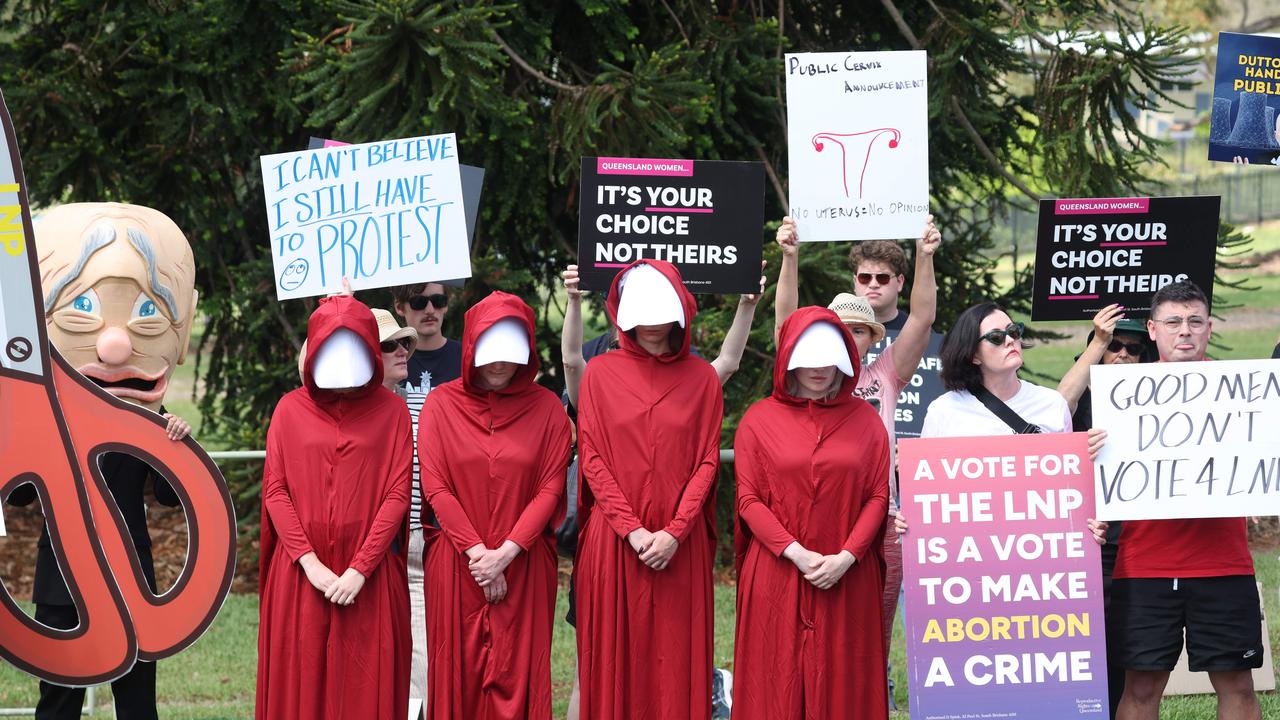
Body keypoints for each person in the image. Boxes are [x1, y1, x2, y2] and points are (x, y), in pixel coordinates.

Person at [8, 202, 199, 719]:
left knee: (137, 703)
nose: (113, 348)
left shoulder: (148, 421)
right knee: (59, 704)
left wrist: (172, 439)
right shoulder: (47, 423)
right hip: (61, 581)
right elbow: (20, 496)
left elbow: (167, 497)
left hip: (131, 575)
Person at [558, 262, 764, 720]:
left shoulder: (699, 379)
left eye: (661, 309)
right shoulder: (599, 375)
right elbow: (592, 458)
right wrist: (632, 530)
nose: (652, 323)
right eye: (642, 310)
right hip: (614, 545)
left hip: (680, 548)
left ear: (680, 311)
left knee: (675, 661)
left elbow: (707, 462)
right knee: (611, 661)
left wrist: (674, 532)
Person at [773, 216, 940, 706]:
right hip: (806, 516)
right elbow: (786, 322)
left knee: (873, 628)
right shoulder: (806, 375)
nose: (848, 338)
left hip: (877, 519)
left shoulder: (886, 374)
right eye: (837, 329)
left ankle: (871, 701)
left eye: (860, 330)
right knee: (802, 627)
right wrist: (789, 257)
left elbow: (923, 319)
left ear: (874, 336)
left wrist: (925, 256)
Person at [1112, 281, 1263, 720]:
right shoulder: (1124, 396)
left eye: (1195, 321)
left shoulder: (1243, 393)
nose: (1185, 331)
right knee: (1140, 685)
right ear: (1153, 330)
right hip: (1145, 564)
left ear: (1209, 329)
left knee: (1237, 682)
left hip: (1223, 561)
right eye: (1174, 322)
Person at [418, 290, 573, 719]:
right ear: (471, 350)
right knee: (457, 673)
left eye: (510, 353)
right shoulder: (441, 405)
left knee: (520, 669)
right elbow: (437, 487)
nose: (500, 364)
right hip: (456, 563)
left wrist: (505, 554)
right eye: (491, 353)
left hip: (524, 565)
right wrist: (478, 555)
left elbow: (550, 488)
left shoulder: (547, 409)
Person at [256, 295, 411, 720]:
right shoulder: (289, 409)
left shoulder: (393, 411)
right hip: (302, 577)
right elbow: (276, 491)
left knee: (365, 689)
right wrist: (310, 564)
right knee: (300, 682)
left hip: (371, 580)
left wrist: (360, 568)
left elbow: (397, 494)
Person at [732, 307, 891, 718]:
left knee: (843, 678)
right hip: (779, 572)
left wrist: (847, 556)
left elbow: (877, 495)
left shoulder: (866, 421)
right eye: (808, 358)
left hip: (846, 576)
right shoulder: (758, 419)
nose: (819, 369)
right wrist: (796, 552)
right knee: (776, 678)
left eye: (829, 358)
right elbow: (749, 499)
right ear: (788, 358)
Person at [894, 302, 1108, 537]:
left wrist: (1086, 526)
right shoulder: (943, 411)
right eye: (996, 337)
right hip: (971, 549)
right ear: (974, 355)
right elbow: (928, 493)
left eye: (1014, 331)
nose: (1009, 340)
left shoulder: (1052, 404)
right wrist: (911, 520)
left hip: (1038, 547)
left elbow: (1066, 490)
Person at [1056, 303, 1155, 719]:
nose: (1123, 354)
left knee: (1124, 650)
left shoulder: (1160, 402)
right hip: (1085, 543)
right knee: (1079, 647)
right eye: (1115, 345)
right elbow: (1056, 408)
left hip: (1143, 545)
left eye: (1134, 349)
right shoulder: (1073, 405)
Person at [392, 281, 464, 705]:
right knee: (406, 648)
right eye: (419, 302)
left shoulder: (465, 358)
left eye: (438, 301)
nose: (430, 310)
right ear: (401, 308)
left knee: (443, 645)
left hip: (449, 524)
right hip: (400, 522)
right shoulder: (386, 357)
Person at [373, 308, 418, 393]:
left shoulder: (423, 403)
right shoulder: (346, 405)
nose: (404, 352)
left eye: (405, 342)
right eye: (389, 345)